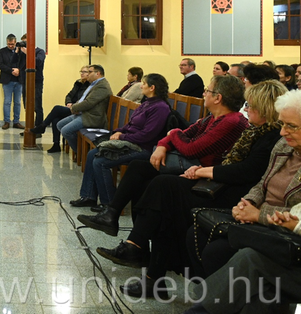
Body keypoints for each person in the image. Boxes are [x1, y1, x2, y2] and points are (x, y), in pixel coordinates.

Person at [90, 80, 285, 299]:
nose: (246, 110)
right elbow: (189, 138)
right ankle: (142, 259)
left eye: (251, 106)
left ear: (264, 109)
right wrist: (168, 143)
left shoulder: (264, 133)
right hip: (223, 183)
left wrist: (203, 170)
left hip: (233, 194)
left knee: (163, 189)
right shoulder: (252, 130)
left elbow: (245, 171)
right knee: (157, 192)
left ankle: (138, 252)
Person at [78, 74, 248, 238]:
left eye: (207, 91)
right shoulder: (212, 118)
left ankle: (120, 224)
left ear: (217, 98)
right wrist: (162, 145)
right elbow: (184, 134)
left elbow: (190, 148)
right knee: (138, 172)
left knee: (148, 179)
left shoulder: (231, 121)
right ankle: (115, 219)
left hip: (202, 174)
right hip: (189, 164)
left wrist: (172, 133)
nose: (204, 94)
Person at [183, 89, 301, 313]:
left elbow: (295, 215)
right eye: (282, 124)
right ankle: (215, 300)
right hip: (262, 219)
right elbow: (262, 182)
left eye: (291, 126)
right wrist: (248, 202)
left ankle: (207, 306)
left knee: (229, 254)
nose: (283, 131)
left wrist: (258, 215)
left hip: (283, 233)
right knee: (196, 232)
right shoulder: (283, 146)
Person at [69, 73, 171, 210]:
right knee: (92, 154)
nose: (141, 86)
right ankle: (89, 196)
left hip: (143, 148)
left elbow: (147, 136)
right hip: (130, 141)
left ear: (152, 88)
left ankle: (109, 204)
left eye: (144, 84)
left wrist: (122, 137)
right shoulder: (147, 103)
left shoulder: (160, 108)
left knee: (101, 162)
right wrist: (118, 131)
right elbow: (130, 125)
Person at [33, 66, 91, 153]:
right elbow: (69, 95)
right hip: (71, 108)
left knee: (57, 108)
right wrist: (68, 102)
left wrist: (73, 105)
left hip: (78, 110)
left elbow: (84, 101)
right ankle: (56, 145)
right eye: (81, 71)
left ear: (89, 74)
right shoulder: (78, 83)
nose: (82, 73)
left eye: (84, 72)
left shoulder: (90, 86)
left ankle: (43, 126)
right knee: (56, 119)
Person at [56, 64, 113, 153]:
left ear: (98, 73)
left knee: (66, 131)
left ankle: (81, 153)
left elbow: (88, 103)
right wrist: (75, 107)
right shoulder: (94, 84)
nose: (88, 74)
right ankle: (81, 149)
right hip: (84, 113)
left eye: (90, 72)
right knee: (60, 124)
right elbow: (82, 99)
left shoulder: (102, 86)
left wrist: (73, 108)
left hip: (92, 117)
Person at [17, 34, 46, 128]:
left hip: (36, 81)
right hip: (25, 81)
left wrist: (28, 53)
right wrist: (17, 52)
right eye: (23, 42)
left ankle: (38, 128)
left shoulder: (40, 51)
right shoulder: (22, 53)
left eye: (26, 42)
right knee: (27, 105)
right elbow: (14, 62)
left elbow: (38, 62)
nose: (24, 44)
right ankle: (29, 127)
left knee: (37, 105)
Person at [0, 33, 25, 130]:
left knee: (17, 102)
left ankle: (16, 122)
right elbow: (0, 65)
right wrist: (11, 71)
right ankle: (7, 122)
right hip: (7, 80)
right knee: (7, 102)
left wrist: (19, 71)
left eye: (12, 44)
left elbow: (24, 64)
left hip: (19, 80)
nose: (10, 46)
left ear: (15, 42)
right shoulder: (2, 51)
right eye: (9, 44)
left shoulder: (21, 51)